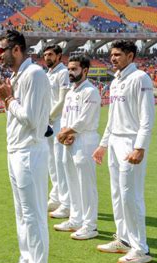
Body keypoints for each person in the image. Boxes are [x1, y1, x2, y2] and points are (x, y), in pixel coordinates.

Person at [0, 30, 52, 263]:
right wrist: (8, 99)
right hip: (15, 151)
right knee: (21, 214)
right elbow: (17, 115)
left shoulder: (35, 75)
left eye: (2, 49)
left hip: (30, 152)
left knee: (34, 216)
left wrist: (8, 99)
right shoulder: (18, 77)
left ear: (16, 50)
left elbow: (34, 122)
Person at [92, 40, 155, 263]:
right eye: (112, 54)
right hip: (115, 141)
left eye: (118, 54)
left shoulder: (140, 79)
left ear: (130, 56)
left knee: (131, 195)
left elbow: (147, 118)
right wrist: (103, 144)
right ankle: (124, 239)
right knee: (117, 194)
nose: (113, 58)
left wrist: (140, 147)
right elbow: (112, 117)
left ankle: (141, 248)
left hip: (130, 142)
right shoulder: (116, 81)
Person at [55, 55, 101, 240]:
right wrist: (66, 134)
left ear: (85, 70)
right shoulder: (71, 92)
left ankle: (90, 225)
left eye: (74, 69)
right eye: (69, 69)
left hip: (85, 140)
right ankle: (75, 219)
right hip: (70, 140)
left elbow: (84, 119)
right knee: (72, 181)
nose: (70, 73)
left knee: (86, 184)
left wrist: (67, 133)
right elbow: (65, 117)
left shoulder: (90, 91)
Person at [42, 44, 71, 219]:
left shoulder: (63, 73)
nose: (47, 58)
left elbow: (63, 100)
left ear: (59, 56)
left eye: (50, 54)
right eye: (45, 55)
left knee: (61, 163)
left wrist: (49, 118)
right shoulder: (48, 74)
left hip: (59, 121)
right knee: (51, 162)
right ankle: (56, 197)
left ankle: (66, 203)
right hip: (48, 122)